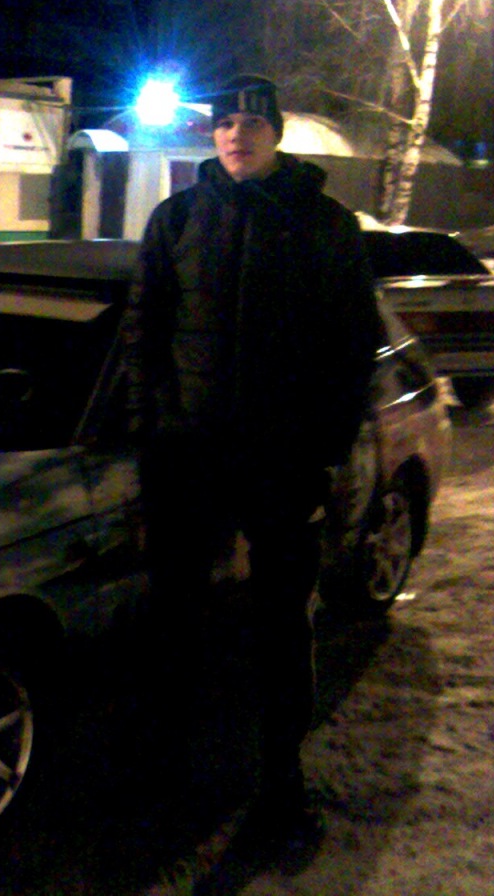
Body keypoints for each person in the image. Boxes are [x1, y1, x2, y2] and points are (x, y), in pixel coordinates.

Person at [124, 74, 381, 847]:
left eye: (252, 123)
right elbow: (144, 336)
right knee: (174, 623)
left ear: (276, 133)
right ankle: (171, 780)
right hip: (191, 460)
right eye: (226, 122)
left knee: (280, 630)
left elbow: (350, 350)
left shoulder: (325, 224)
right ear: (213, 133)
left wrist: (323, 456)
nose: (237, 134)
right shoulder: (176, 219)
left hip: (280, 463)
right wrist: (154, 440)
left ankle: (280, 788)